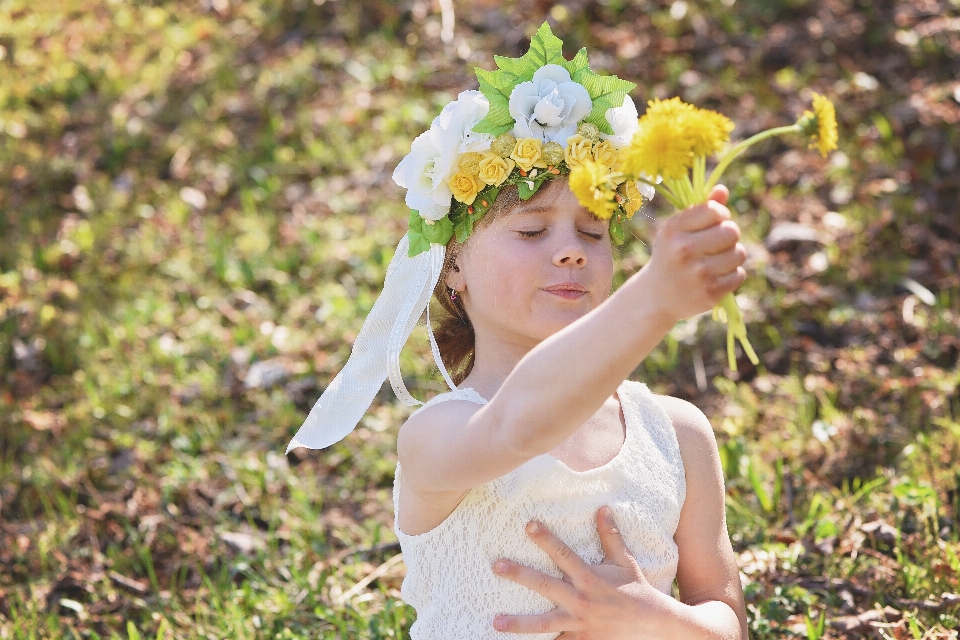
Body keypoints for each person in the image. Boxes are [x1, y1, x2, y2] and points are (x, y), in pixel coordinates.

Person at [287, 23, 747, 639]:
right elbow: (522, 423)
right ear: (454, 266)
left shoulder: (676, 434)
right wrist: (656, 302)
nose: (571, 252)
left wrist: (650, 617)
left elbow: (725, 616)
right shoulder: (440, 435)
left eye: (592, 232)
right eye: (532, 232)